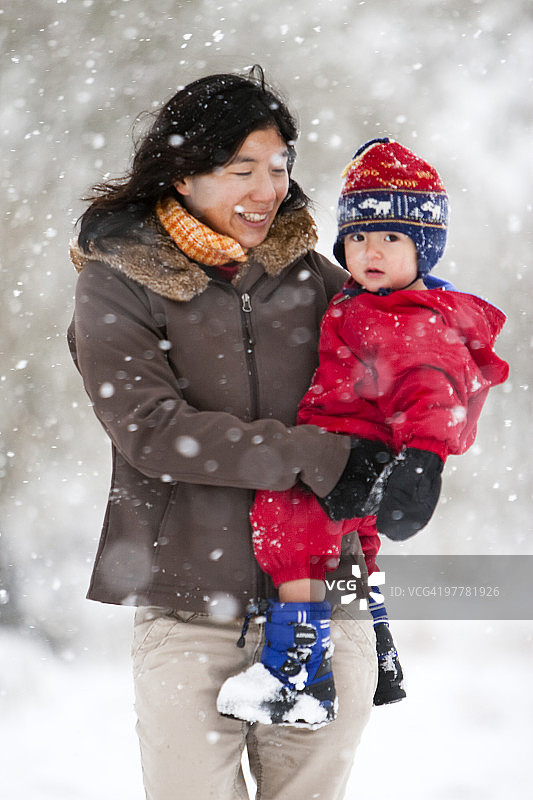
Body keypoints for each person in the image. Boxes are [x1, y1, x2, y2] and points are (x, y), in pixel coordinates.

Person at [67, 67, 378, 800]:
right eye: (241, 169)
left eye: (279, 166)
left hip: (322, 597)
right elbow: (150, 428)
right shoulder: (119, 280)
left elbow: (382, 403)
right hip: (188, 608)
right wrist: (314, 456)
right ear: (182, 175)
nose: (267, 189)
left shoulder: (315, 280)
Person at [217, 138, 509, 726]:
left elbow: (431, 391)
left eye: (390, 238)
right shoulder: (370, 302)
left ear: (423, 248)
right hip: (361, 454)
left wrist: (424, 461)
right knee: (361, 549)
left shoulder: (404, 317)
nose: (370, 251)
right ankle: (379, 641)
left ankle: (296, 666)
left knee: (287, 522)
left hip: (353, 451)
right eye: (357, 237)